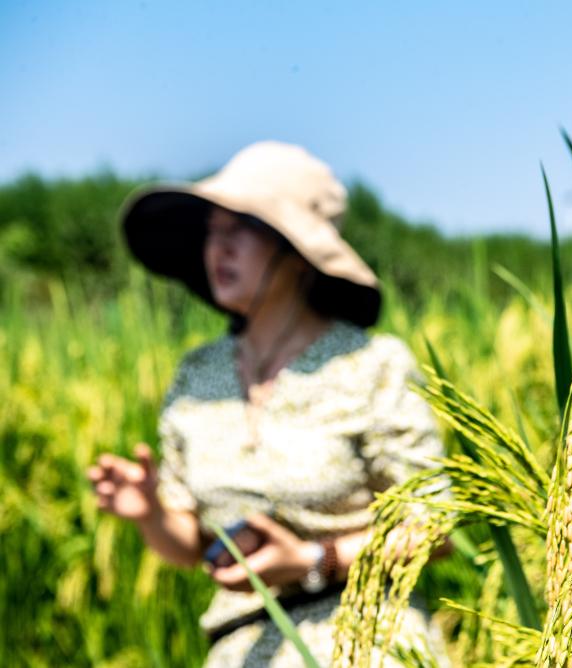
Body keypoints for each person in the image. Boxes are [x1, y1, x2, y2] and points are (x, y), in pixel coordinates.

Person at [87, 141, 446, 666]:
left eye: (242, 229)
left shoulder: (371, 364)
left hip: (364, 637)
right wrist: (150, 514)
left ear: (298, 253)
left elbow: (433, 523)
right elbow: (189, 543)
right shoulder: (197, 374)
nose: (219, 247)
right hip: (242, 645)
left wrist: (311, 561)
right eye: (212, 231)